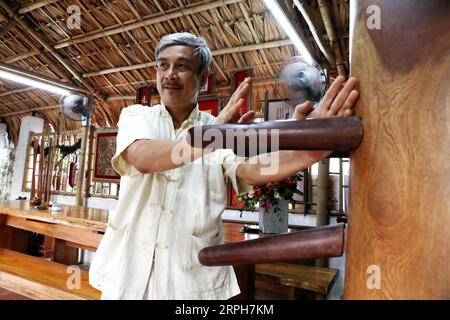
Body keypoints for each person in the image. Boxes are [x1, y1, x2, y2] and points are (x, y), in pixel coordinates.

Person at [89, 32, 359, 300]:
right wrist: (210, 137)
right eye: (163, 65)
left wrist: (307, 150)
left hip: (190, 281)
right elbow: (143, 158)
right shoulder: (137, 116)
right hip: (128, 274)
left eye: (181, 66)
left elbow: (250, 169)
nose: (169, 74)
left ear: (203, 78)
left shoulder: (218, 129)